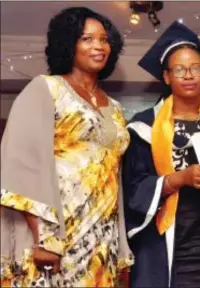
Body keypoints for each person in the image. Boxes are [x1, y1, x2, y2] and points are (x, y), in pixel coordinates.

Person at [0, 7, 132, 287]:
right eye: (87, 39)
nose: (98, 46)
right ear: (68, 43)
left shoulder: (117, 108)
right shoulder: (46, 88)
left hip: (101, 237)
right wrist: (45, 238)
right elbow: (20, 165)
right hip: (58, 233)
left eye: (104, 39)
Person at [122, 21, 200, 288]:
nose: (188, 75)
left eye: (195, 68)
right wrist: (180, 179)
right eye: (179, 69)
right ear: (166, 76)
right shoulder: (144, 127)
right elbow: (133, 188)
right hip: (163, 243)